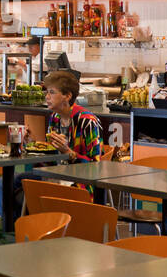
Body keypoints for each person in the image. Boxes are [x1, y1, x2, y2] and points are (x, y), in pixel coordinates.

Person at [12, 69, 103, 209]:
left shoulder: (87, 121)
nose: (47, 97)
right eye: (46, 92)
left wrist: (69, 153)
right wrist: (33, 144)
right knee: (7, 183)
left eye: (52, 92)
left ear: (67, 96)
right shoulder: (55, 117)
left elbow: (96, 167)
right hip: (55, 176)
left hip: (78, 183)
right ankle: (17, 229)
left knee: (24, 193)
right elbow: (51, 159)